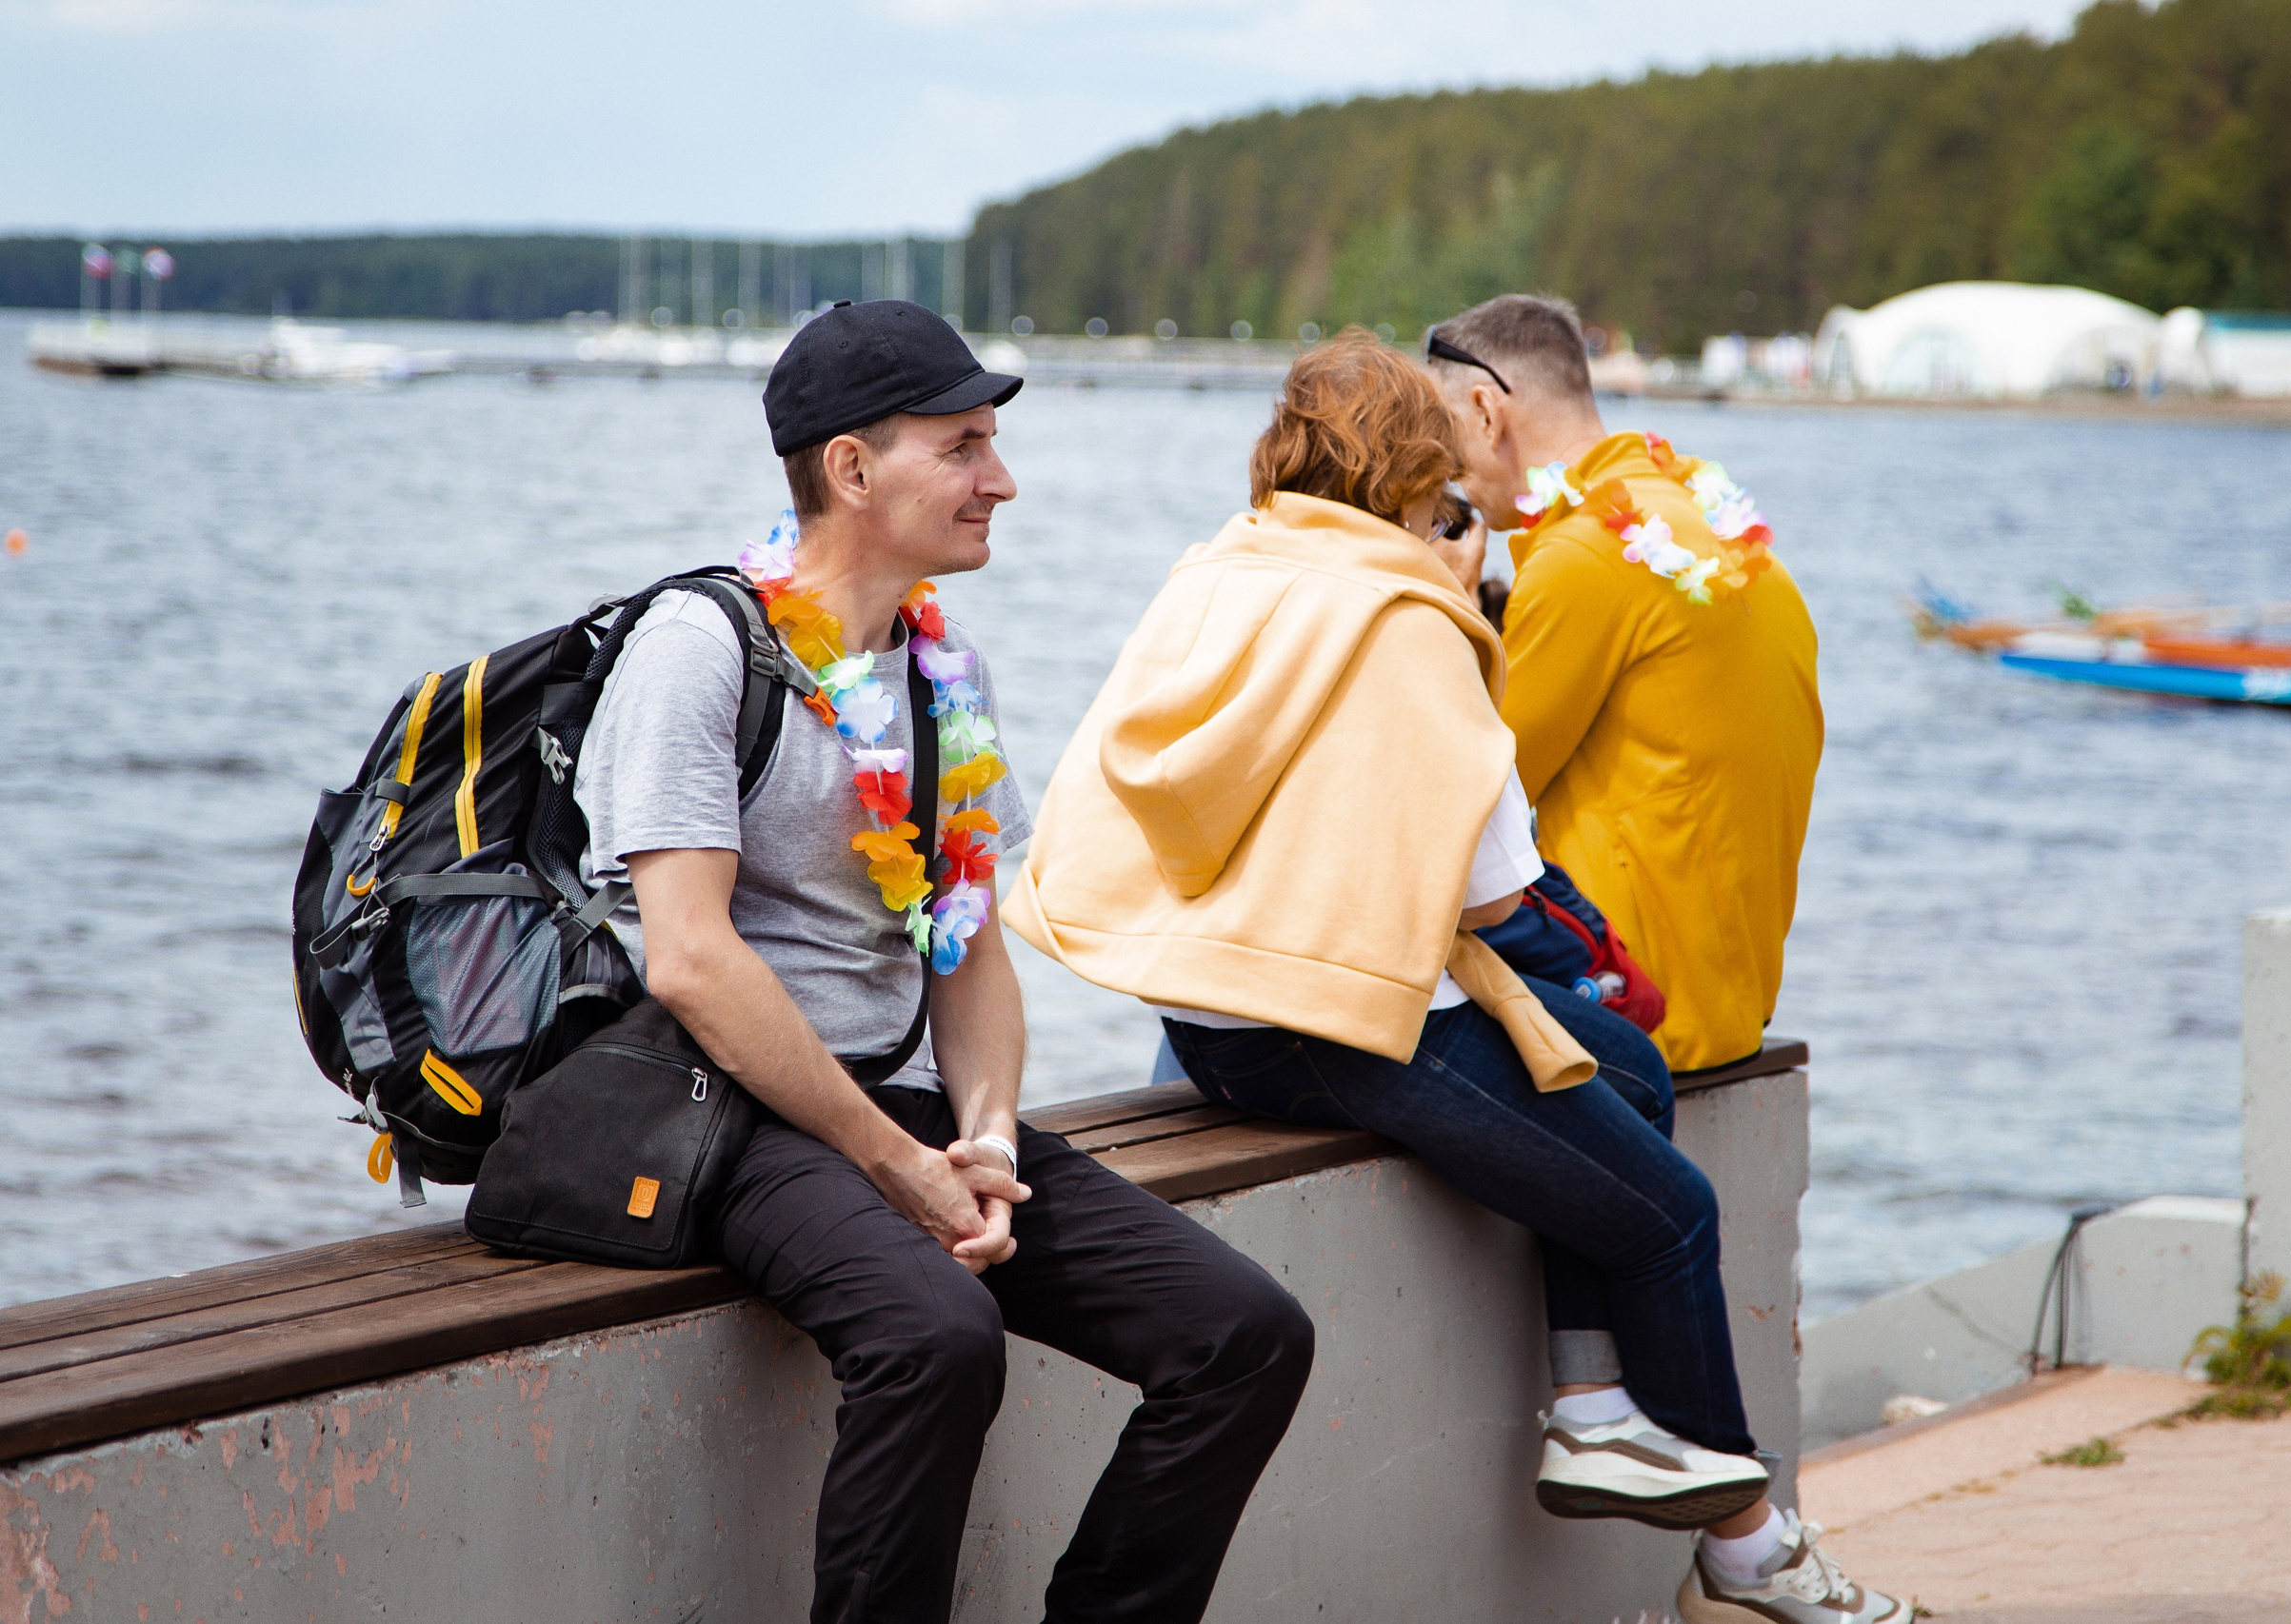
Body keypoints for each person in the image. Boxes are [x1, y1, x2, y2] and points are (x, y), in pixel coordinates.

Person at [1007, 330, 1905, 1624]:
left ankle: (1591, 1403)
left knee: (1628, 1072)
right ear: (1418, 468)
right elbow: (1491, 891)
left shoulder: (1225, 569)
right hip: (1336, 1024)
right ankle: (1749, 1547)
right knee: (1670, 1213)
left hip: (1215, 1016)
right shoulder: (1404, 618)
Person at [573, 300, 1313, 1624]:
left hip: (910, 1111)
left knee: (1245, 1334)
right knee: (935, 1336)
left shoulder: (938, 665)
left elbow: (965, 950)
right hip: (732, 1117)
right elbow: (689, 960)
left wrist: (982, 1140)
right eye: (964, 445)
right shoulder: (698, 648)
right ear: (852, 469)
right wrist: (893, 1162)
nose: (1002, 479)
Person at [1424, 295, 1823, 1076]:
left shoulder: (1583, 560)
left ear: (1483, 409)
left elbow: (1468, 798)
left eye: (1441, 431)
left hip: (1631, 1013)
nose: (1442, 467)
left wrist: (1449, 606)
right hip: (1735, 1001)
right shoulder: (1712, 525)